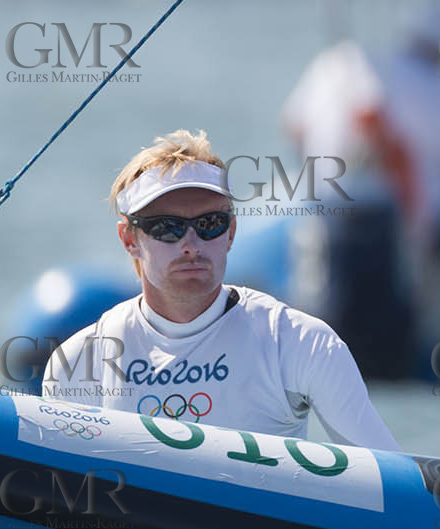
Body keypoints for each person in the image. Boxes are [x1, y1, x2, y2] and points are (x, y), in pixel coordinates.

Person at [42, 130, 400, 450]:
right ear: (128, 239)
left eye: (210, 224)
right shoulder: (77, 362)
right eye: (168, 228)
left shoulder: (300, 343)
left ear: (230, 233)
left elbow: (391, 480)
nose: (191, 244)